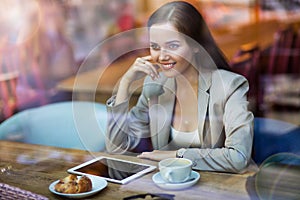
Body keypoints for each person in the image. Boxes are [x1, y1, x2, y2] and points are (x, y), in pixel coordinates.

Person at [105, 1, 254, 173]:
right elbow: (116, 149)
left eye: (172, 46)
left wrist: (178, 155)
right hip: (169, 186)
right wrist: (124, 84)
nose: (162, 56)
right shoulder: (155, 86)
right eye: (155, 47)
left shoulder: (230, 86)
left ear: (196, 46)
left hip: (215, 189)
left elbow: (238, 157)